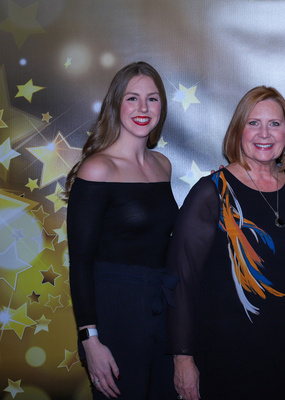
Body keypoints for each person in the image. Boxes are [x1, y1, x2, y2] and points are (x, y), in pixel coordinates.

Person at [166, 86, 285, 400]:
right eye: (254, 123)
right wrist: (182, 358)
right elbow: (180, 281)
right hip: (230, 359)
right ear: (239, 129)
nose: (264, 133)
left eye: (275, 124)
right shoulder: (212, 193)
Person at [65, 61, 178, 399]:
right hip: (114, 312)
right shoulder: (98, 168)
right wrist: (91, 340)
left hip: (159, 308)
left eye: (152, 99)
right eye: (132, 98)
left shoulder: (163, 165)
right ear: (116, 104)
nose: (143, 108)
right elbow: (81, 263)